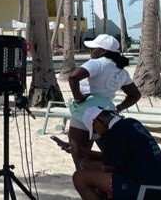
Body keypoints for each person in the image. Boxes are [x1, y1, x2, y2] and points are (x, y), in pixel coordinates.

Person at [66, 34, 140, 169]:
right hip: (107, 116)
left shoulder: (97, 63)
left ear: (103, 51)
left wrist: (78, 98)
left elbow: (73, 77)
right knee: (109, 157)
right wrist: (119, 108)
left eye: (94, 48)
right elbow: (135, 95)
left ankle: (87, 183)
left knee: (79, 157)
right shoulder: (121, 71)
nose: (91, 51)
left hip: (84, 113)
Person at [63, 107, 161, 200]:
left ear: (97, 121)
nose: (97, 134)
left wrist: (83, 162)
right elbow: (115, 157)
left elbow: (109, 166)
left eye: (95, 130)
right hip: (154, 180)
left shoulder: (114, 133)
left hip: (144, 186)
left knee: (80, 178)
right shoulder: (130, 123)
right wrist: (80, 151)